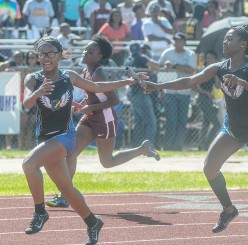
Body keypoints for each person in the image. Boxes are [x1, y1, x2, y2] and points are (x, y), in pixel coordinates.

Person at [145, 20, 248, 240]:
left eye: (230, 39)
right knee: (209, 168)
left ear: (243, 44)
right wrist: (158, 86)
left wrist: (241, 82)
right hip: (231, 128)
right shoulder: (219, 67)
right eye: (225, 38)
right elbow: (190, 80)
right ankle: (229, 209)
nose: (225, 42)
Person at [21, 28, 148, 244]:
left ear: (60, 55)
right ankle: (92, 222)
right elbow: (26, 104)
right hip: (45, 138)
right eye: (42, 53)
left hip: (65, 137)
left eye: (51, 53)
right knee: (66, 189)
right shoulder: (33, 79)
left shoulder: (69, 77)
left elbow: (99, 86)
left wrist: (131, 81)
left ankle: (40, 212)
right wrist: (38, 92)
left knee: (28, 164)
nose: (46, 57)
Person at [45, 35, 160, 208]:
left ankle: (143, 148)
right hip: (90, 118)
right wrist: (82, 106)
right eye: (85, 49)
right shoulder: (85, 71)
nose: (85, 52)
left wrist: (89, 108)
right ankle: (65, 196)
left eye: (90, 51)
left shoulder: (98, 72)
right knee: (69, 153)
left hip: (104, 119)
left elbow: (114, 101)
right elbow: (92, 95)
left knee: (107, 162)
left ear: (99, 56)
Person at [158, 32, 196, 151]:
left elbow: (191, 69)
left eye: (180, 40)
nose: (177, 42)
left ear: (184, 42)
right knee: (171, 121)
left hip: (184, 93)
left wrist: (174, 66)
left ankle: (178, 147)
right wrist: (165, 67)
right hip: (169, 92)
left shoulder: (190, 54)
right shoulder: (167, 52)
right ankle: (168, 147)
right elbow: (159, 67)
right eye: (175, 40)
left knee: (182, 122)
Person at [125, 42, 160, 147]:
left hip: (133, 93)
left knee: (139, 122)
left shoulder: (128, 60)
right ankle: (148, 147)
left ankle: (137, 146)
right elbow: (156, 66)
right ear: (140, 50)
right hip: (141, 94)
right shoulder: (141, 57)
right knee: (151, 123)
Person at [193, 50, 221, 151]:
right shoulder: (201, 70)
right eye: (208, 58)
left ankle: (201, 146)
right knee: (217, 124)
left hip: (208, 100)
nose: (209, 60)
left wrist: (217, 75)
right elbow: (194, 87)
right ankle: (207, 144)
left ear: (215, 59)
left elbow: (218, 87)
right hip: (202, 98)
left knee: (206, 123)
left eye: (211, 58)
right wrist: (206, 93)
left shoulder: (214, 72)